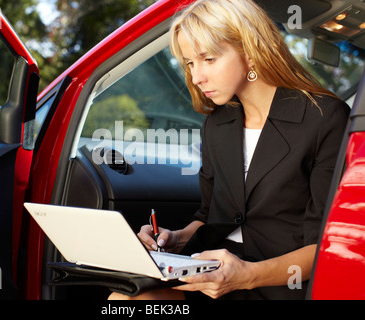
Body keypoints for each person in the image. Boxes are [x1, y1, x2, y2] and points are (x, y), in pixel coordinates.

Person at [109, 0, 350, 300]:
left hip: (279, 284)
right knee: (124, 299)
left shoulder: (325, 118)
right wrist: (175, 240)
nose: (196, 77)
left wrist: (246, 276)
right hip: (214, 277)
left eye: (208, 59)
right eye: (190, 63)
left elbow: (326, 248)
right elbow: (209, 216)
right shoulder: (217, 124)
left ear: (250, 52)